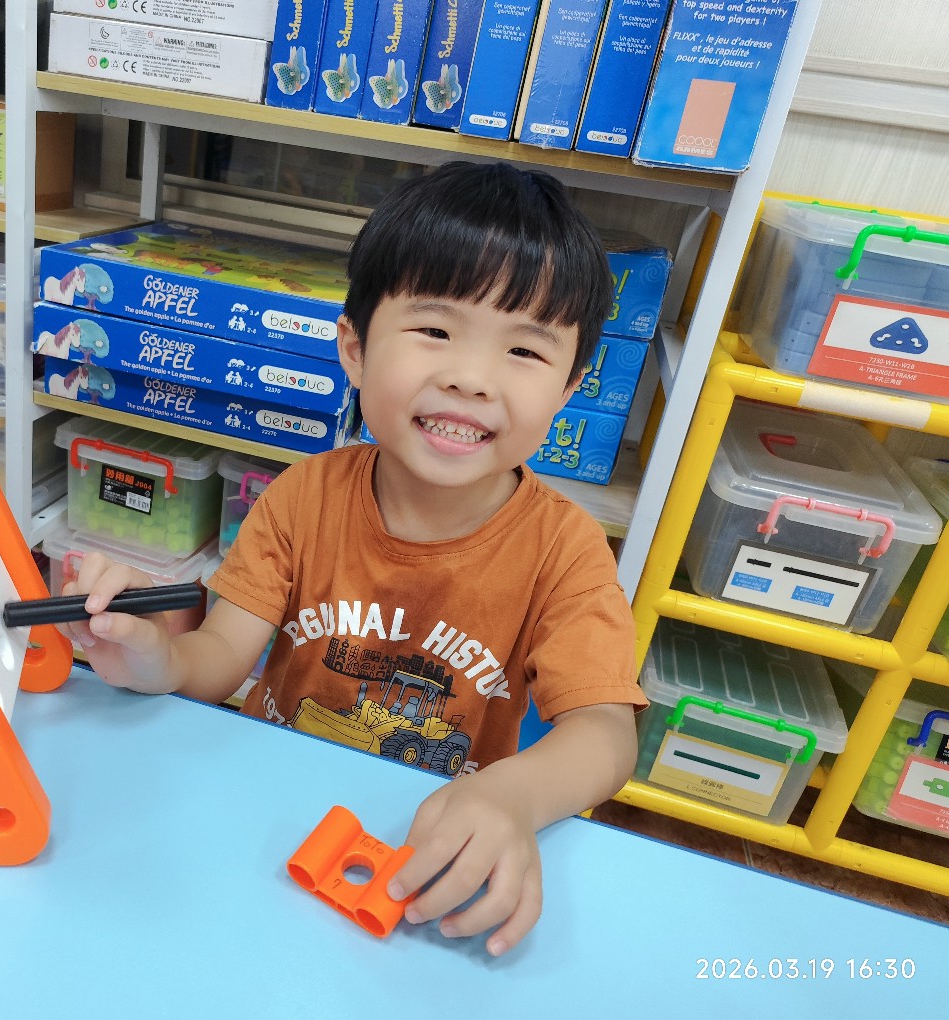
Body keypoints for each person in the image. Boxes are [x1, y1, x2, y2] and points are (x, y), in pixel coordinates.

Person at [56, 160, 648, 956]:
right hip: (266, 821)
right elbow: (219, 658)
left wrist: (516, 797)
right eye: (435, 331)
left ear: (570, 389)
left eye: (524, 351)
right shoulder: (304, 496)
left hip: (423, 851)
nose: (472, 379)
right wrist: (153, 657)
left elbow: (606, 732)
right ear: (356, 349)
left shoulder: (564, 550)